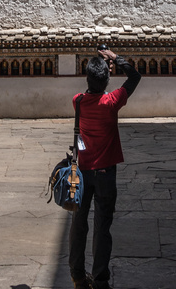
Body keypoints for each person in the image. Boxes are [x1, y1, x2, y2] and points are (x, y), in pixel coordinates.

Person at [68, 48, 141, 289]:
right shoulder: (111, 102)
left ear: (87, 77)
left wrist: (83, 148)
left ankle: (78, 277)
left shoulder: (77, 101)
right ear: (106, 80)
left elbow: (80, 136)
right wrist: (116, 58)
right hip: (105, 173)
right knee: (102, 227)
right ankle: (100, 279)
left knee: (79, 224)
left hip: (83, 171)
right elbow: (135, 77)